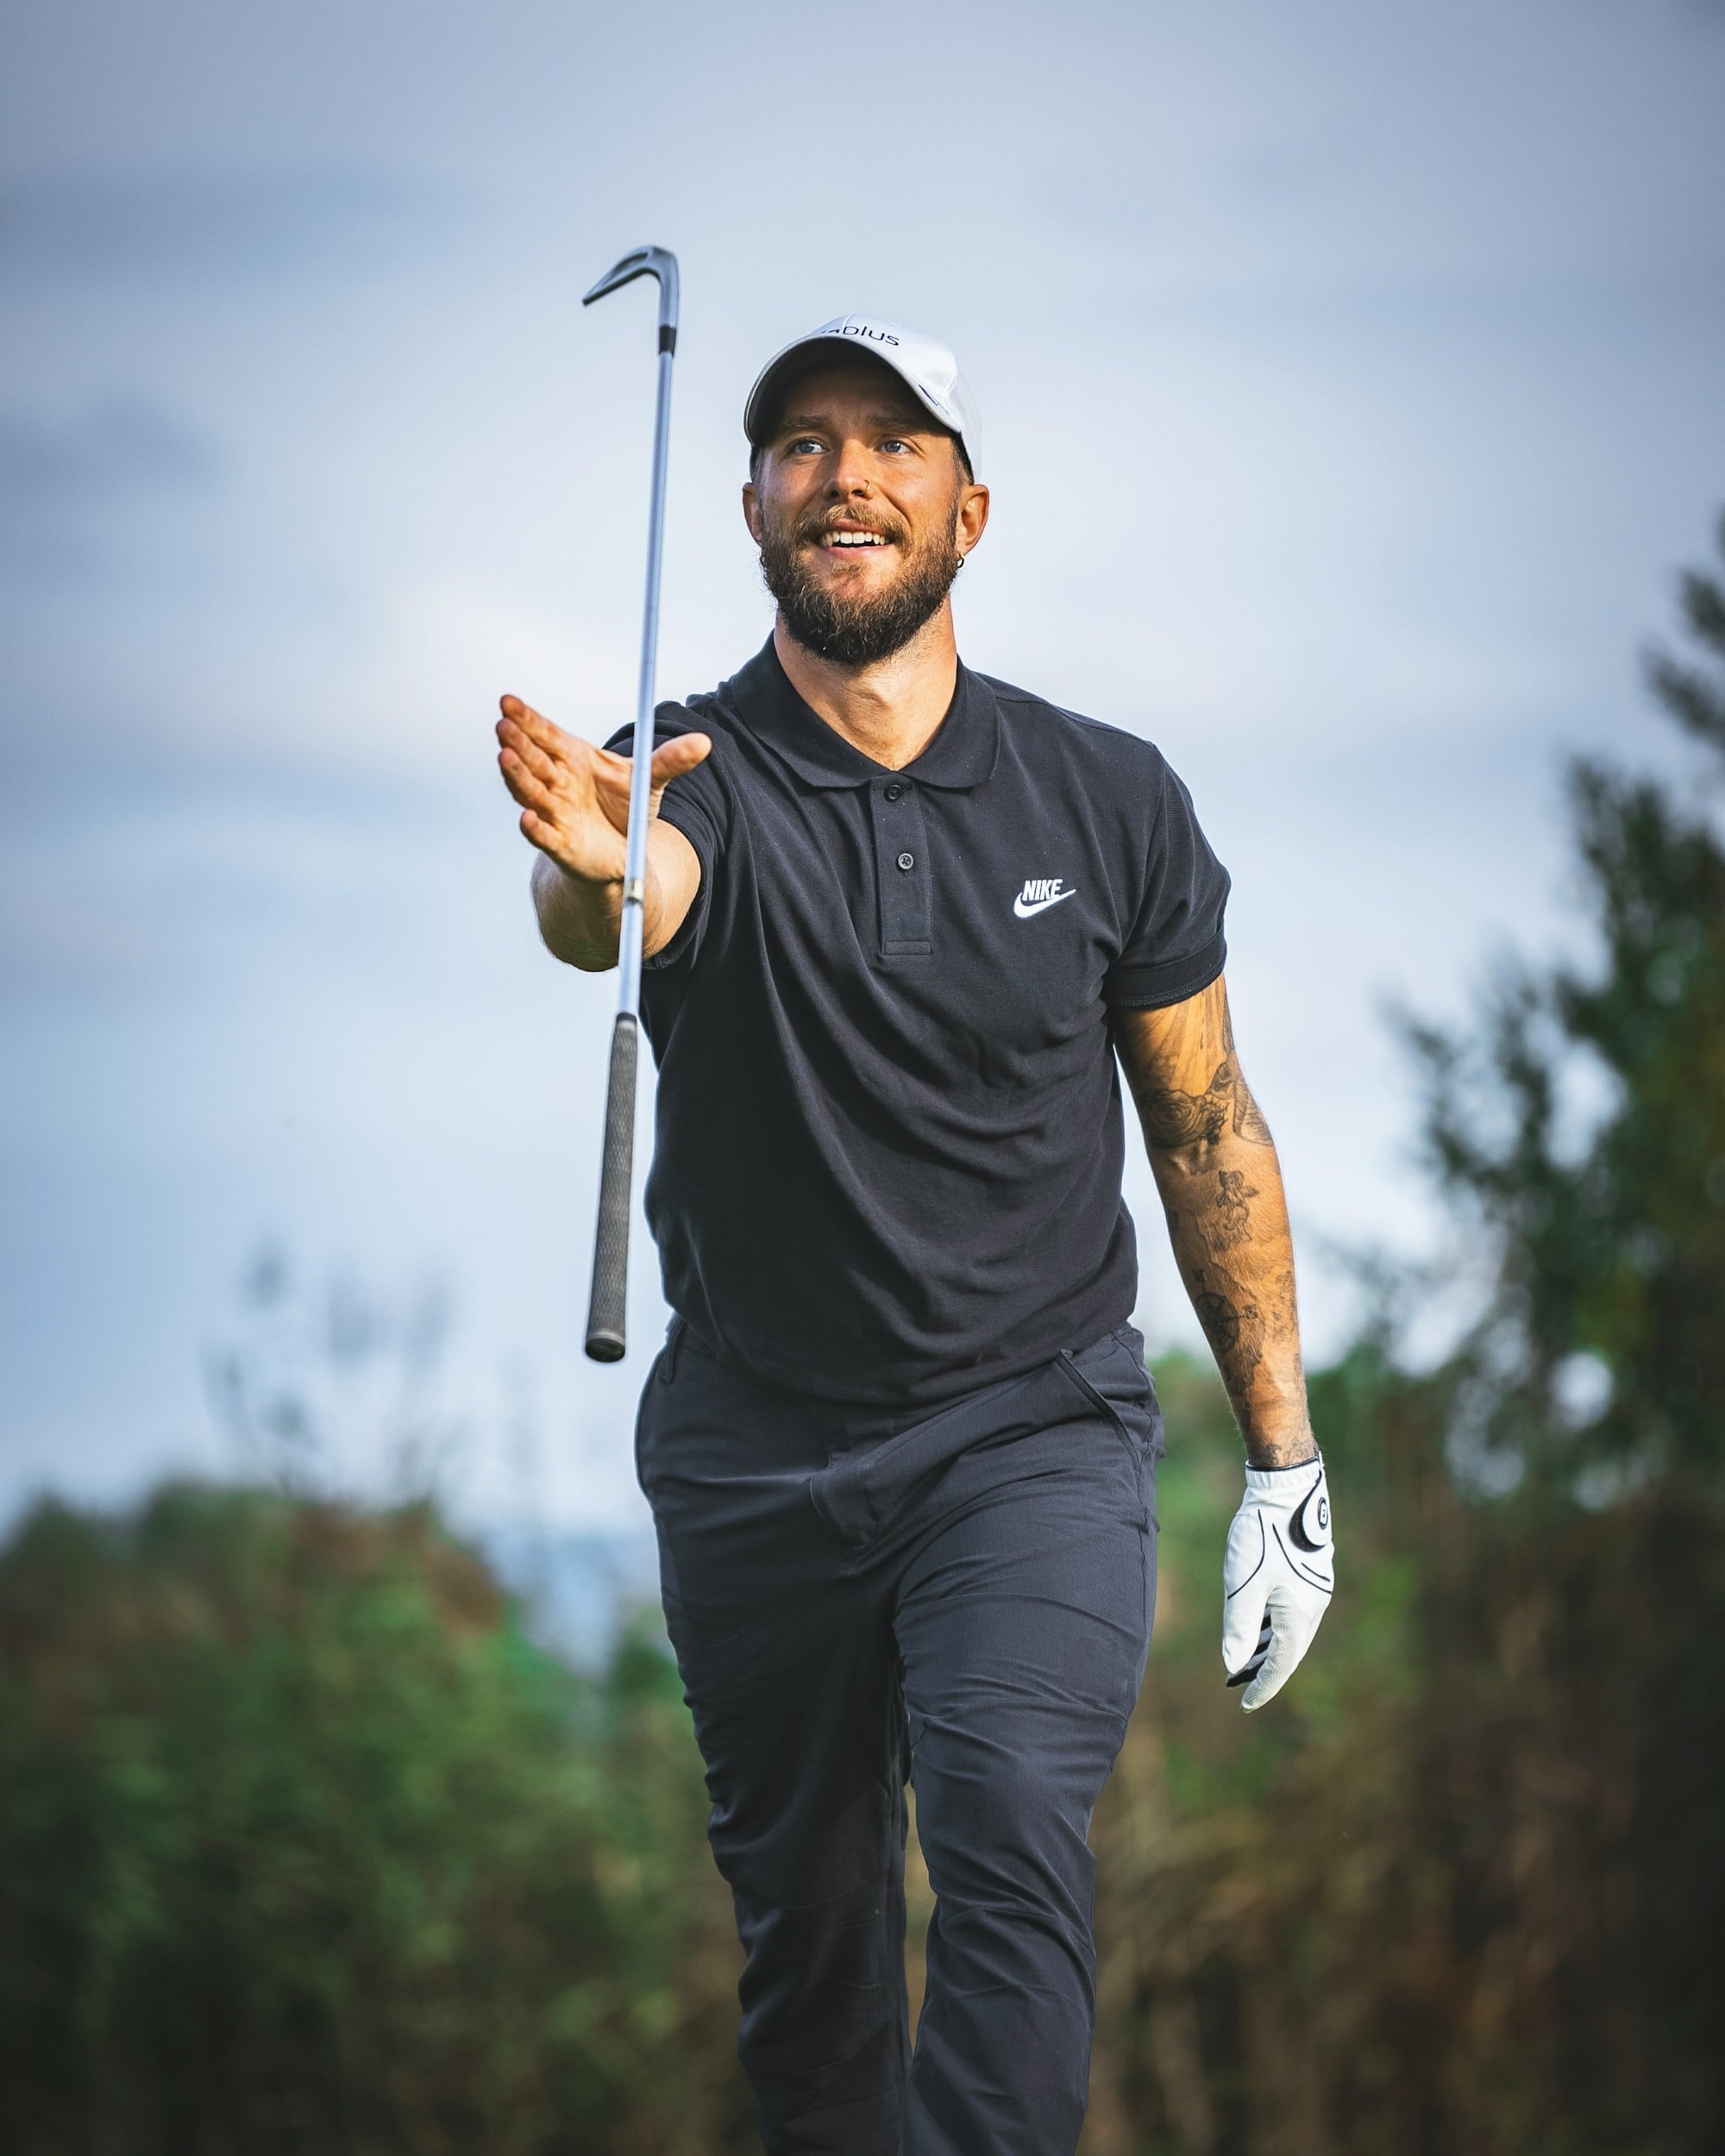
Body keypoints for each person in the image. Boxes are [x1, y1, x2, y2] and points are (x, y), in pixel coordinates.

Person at [494, 314, 1334, 2156]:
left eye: (890, 439)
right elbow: (623, 898)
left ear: (968, 505)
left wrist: (1283, 1451)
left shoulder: (1106, 797)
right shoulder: (686, 769)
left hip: (1024, 1431)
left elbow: (1204, 1120)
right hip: (753, 1452)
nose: (845, 470)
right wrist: (602, 865)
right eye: (803, 441)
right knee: (812, 1955)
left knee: (1009, 1813)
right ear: (750, 506)